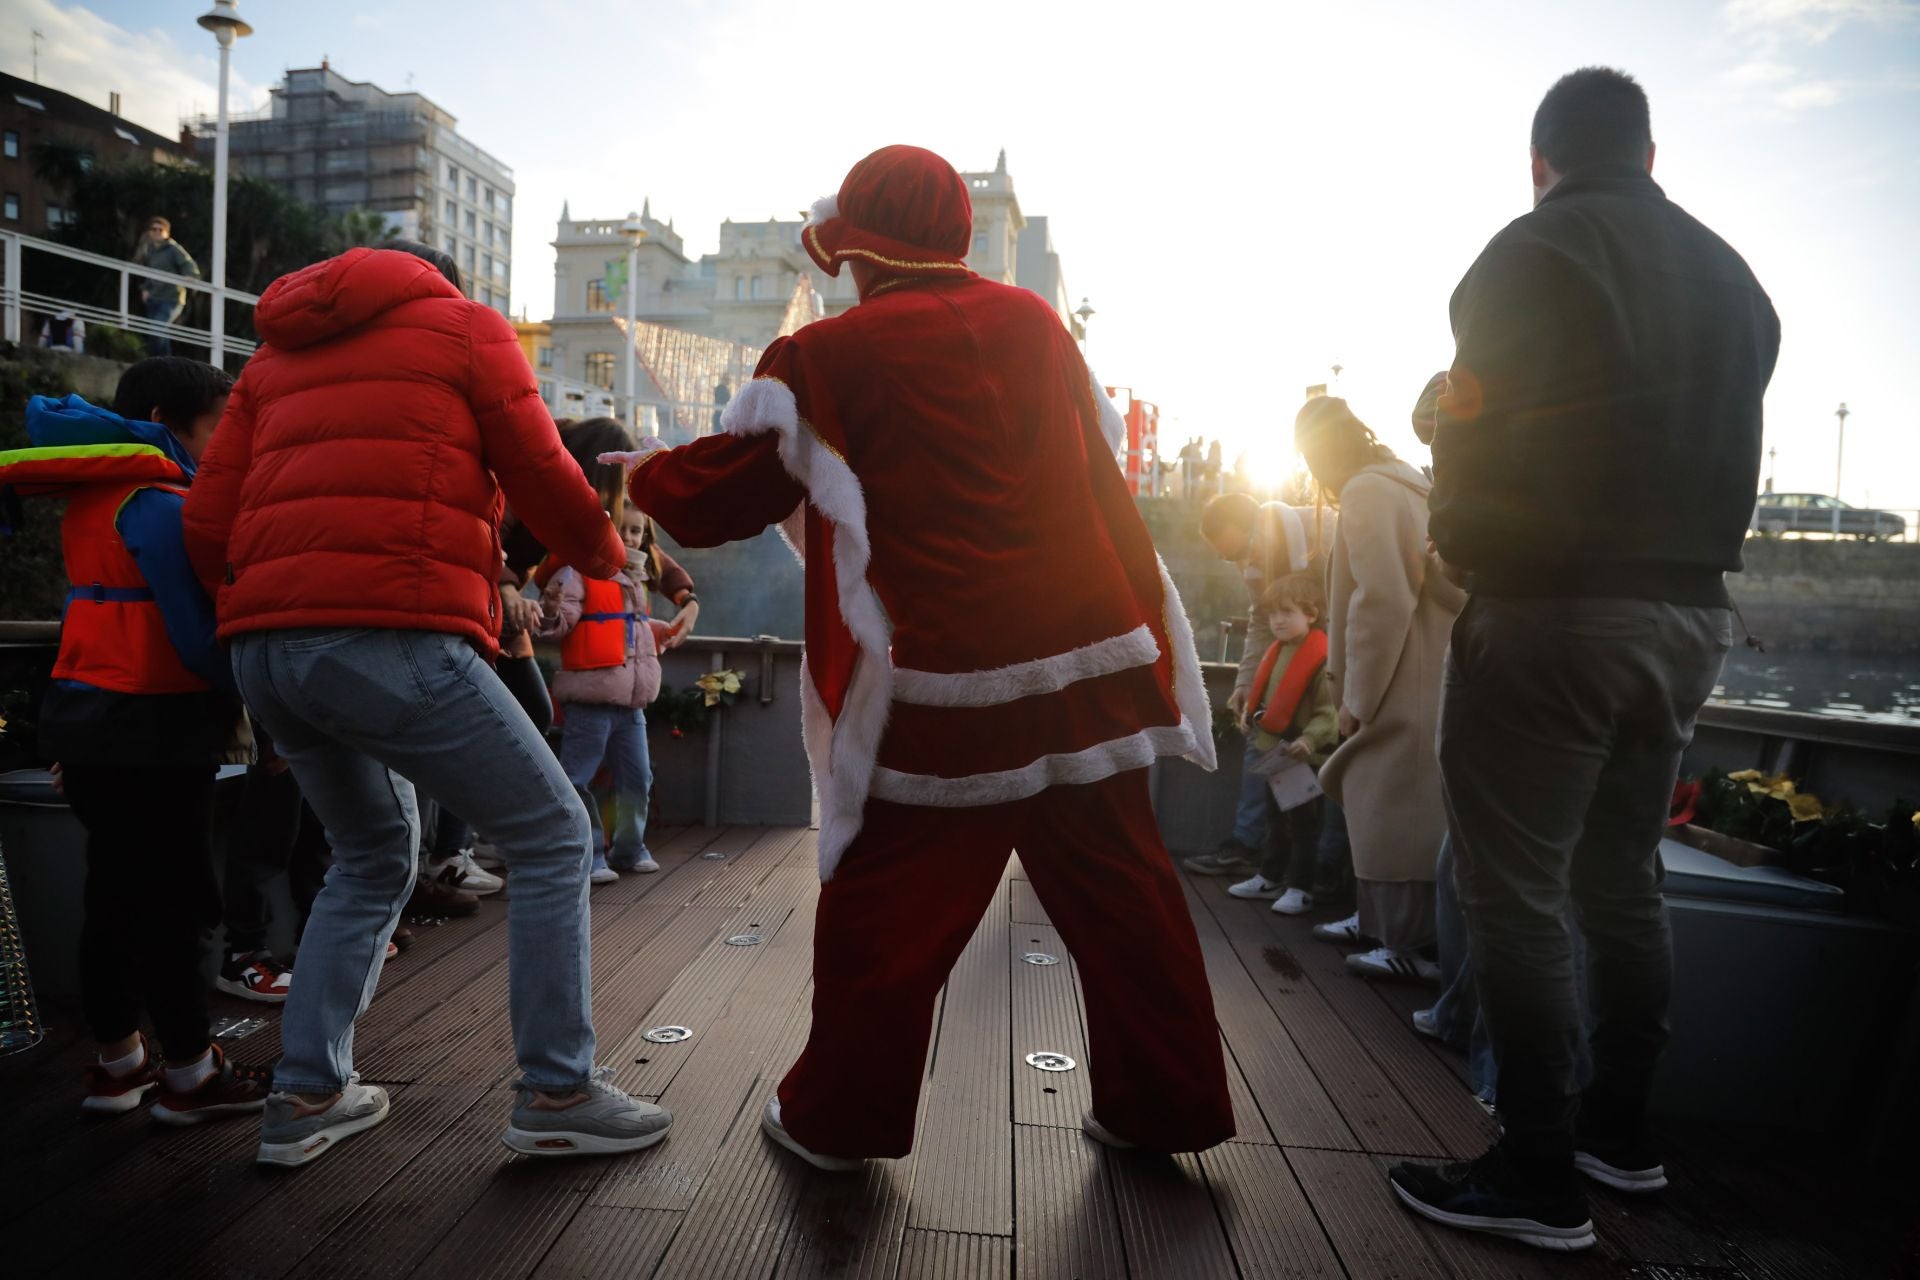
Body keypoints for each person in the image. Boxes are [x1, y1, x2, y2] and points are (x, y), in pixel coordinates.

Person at [608, 145, 1232, 1168]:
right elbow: (1098, 473)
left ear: (854, 244)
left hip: (953, 682)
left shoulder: (828, 355)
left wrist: (648, 477)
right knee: (1130, 902)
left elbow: (730, 487)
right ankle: (1164, 1105)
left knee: (885, 913)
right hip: (1090, 662)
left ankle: (837, 1122)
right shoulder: (1037, 326)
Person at [1387, 68, 1778, 1252]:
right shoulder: (1734, 280)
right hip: (1688, 620)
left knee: (1516, 896)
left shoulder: (1529, 254)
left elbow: (1480, 421)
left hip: (1553, 609)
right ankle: (1623, 1131)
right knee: (1623, 882)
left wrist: (1451, 486)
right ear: (1651, 157)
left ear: (1539, 163)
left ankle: (1539, 1168)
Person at [181, 242, 672, 1168]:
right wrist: (605, 555)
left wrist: (270, 618)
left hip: (265, 649)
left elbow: (208, 520)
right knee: (553, 833)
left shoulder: (273, 359)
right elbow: (541, 469)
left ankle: (306, 1092)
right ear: (439, 279)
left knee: (370, 854)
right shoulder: (465, 329)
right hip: (390, 634)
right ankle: (558, 1089)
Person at [0, 357, 271, 1123]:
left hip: (85, 721)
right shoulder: (158, 504)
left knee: (112, 894)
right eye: (218, 426)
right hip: (152, 728)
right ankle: (190, 1073)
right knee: (174, 902)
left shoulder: (93, 501)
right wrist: (263, 693)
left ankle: (120, 1062)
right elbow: (193, 638)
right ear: (165, 421)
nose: (227, 444)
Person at [1295, 395, 1464, 981]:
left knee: (1392, 809)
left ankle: (1401, 943)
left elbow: (1381, 599)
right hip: (1429, 665)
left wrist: (1355, 698)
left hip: (1397, 674)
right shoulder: (1408, 482)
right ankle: (1380, 924)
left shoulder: (1366, 491)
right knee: (1398, 807)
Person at [539, 461, 693, 883]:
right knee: (576, 780)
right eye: (622, 529)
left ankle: (629, 849)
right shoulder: (579, 573)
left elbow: (628, 633)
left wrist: (658, 630)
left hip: (631, 703)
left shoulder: (638, 582)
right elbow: (560, 625)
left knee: (637, 778)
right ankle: (588, 857)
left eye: (636, 531)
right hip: (591, 700)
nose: (629, 537)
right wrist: (550, 609)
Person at [1190, 493, 1328, 878]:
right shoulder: (1255, 563)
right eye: (1227, 558)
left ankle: (1315, 867)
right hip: (1291, 668)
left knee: (1328, 771)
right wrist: (1247, 683)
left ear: (1256, 527)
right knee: (1260, 739)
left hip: (1331, 674)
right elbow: (1262, 620)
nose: (1240, 563)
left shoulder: (1325, 533)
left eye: (1237, 551)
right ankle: (1250, 847)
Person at [1223, 572, 1338, 914]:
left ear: (1311, 614)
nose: (1277, 620)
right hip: (1277, 755)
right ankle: (1271, 876)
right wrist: (1248, 719)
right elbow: (1268, 700)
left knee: (1305, 825)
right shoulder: (1278, 652)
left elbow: (1328, 710)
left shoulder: (1322, 658)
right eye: (1273, 613)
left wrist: (1309, 738)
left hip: (1304, 755)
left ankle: (1300, 887)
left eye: (1287, 612)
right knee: (1276, 819)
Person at [132, 217, 201, 357]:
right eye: (154, 229)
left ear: (167, 233)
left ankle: (164, 362)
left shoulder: (173, 248)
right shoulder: (150, 251)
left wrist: (190, 276)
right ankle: (157, 362)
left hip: (171, 299)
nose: (157, 232)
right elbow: (150, 273)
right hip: (154, 298)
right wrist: (145, 289)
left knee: (157, 329)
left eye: (160, 229)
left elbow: (189, 265)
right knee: (155, 333)